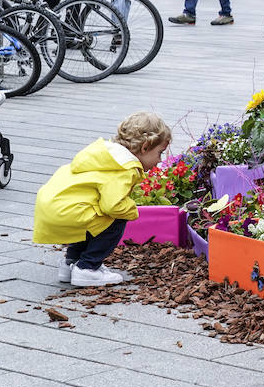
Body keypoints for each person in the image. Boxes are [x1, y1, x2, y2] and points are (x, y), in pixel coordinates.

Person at [32, 112, 171, 288]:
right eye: (160, 153)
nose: (159, 160)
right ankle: (87, 268)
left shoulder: (107, 154)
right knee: (117, 217)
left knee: (92, 215)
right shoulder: (124, 168)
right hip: (69, 211)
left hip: (53, 206)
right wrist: (133, 210)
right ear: (144, 147)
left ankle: (70, 264)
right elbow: (113, 205)